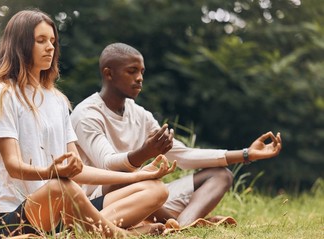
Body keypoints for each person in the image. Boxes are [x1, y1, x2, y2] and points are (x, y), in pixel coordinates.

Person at [0, 11, 176, 239]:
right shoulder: (3, 94)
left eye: (53, 41)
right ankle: (123, 236)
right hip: (14, 218)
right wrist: (50, 173)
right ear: (20, 45)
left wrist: (139, 175)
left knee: (156, 189)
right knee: (61, 187)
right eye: (41, 40)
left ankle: (80, 234)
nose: (50, 48)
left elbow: (79, 170)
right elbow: (13, 166)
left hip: (62, 214)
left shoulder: (57, 100)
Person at [70, 42, 282, 228]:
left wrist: (246, 154)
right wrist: (144, 153)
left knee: (221, 175)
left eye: (142, 72)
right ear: (109, 74)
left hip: (148, 193)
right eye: (132, 71)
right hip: (101, 201)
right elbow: (108, 164)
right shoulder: (87, 114)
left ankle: (181, 225)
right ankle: (171, 222)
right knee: (130, 178)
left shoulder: (139, 114)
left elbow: (183, 156)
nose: (140, 78)